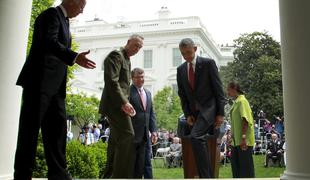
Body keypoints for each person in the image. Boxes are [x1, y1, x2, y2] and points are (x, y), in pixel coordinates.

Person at [13, 0, 96, 179]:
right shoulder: (50, 15)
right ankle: (22, 174)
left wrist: (72, 58)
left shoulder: (64, 21)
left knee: (57, 131)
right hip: (39, 83)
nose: (81, 12)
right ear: (72, 2)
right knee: (30, 131)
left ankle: (59, 173)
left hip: (56, 89)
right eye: (81, 7)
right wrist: (74, 56)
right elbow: (49, 42)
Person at [176, 38, 226, 178]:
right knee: (199, 139)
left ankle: (206, 177)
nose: (186, 56)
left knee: (196, 136)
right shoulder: (180, 70)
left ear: (195, 49)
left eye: (189, 52)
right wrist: (187, 114)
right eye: (183, 53)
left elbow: (218, 90)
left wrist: (220, 114)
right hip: (194, 113)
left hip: (209, 109)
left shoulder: (208, 64)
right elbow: (183, 95)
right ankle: (207, 175)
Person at [99, 34, 144, 178]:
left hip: (119, 105)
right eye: (136, 45)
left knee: (115, 141)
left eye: (140, 47)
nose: (137, 49)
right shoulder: (116, 55)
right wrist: (124, 102)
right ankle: (120, 177)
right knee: (127, 136)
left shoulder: (127, 59)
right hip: (114, 105)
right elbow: (112, 82)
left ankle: (109, 176)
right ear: (128, 42)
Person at [129, 68, 157, 178]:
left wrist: (154, 131)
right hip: (133, 137)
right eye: (138, 77)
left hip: (146, 137)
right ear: (132, 78)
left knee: (147, 164)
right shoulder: (128, 92)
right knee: (136, 167)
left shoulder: (148, 93)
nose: (141, 79)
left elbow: (151, 114)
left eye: (143, 77)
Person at [226, 82, 255, 178]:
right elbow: (236, 122)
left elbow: (245, 120)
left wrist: (243, 138)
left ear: (234, 89)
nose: (227, 93)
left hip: (243, 142)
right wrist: (231, 136)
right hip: (236, 142)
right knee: (236, 169)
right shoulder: (236, 102)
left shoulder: (242, 101)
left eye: (228, 90)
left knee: (245, 170)